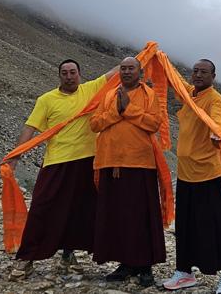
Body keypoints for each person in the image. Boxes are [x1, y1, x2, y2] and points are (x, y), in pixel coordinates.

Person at [9, 59, 118, 280]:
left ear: (79, 74)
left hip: (88, 161)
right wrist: (16, 155)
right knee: (42, 207)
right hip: (57, 162)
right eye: (65, 73)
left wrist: (147, 53)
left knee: (81, 210)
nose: (69, 76)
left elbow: (116, 72)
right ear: (60, 75)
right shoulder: (47, 100)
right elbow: (31, 127)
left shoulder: (91, 89)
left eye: (73, 72)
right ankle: (26, 258)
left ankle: (68, 254)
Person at [164, 59, 221, 294]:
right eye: (195, 71)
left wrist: (217, 134)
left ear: (213, 76)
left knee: (219, 224)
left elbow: (217, 121)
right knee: (185, 225)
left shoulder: (214, 99)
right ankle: (184, 271)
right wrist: (159, 58)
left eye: (203, 72)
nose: (198, 75)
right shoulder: (190, 94)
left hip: (209, 174)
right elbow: (174, 80)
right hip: (186, 174)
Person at [89, 57, 165, 287]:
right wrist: (117, 112)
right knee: (117, 216)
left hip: (140, 164)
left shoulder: (149, 95)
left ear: (139, 72)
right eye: (123, 68)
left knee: (140, 216)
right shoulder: (110, 94)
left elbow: (154, 124)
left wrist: (128, 109)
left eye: (131, 68)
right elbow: (94, 123)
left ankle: (144, 265)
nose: (126, 71)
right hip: (110, 162)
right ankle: (125, 263)